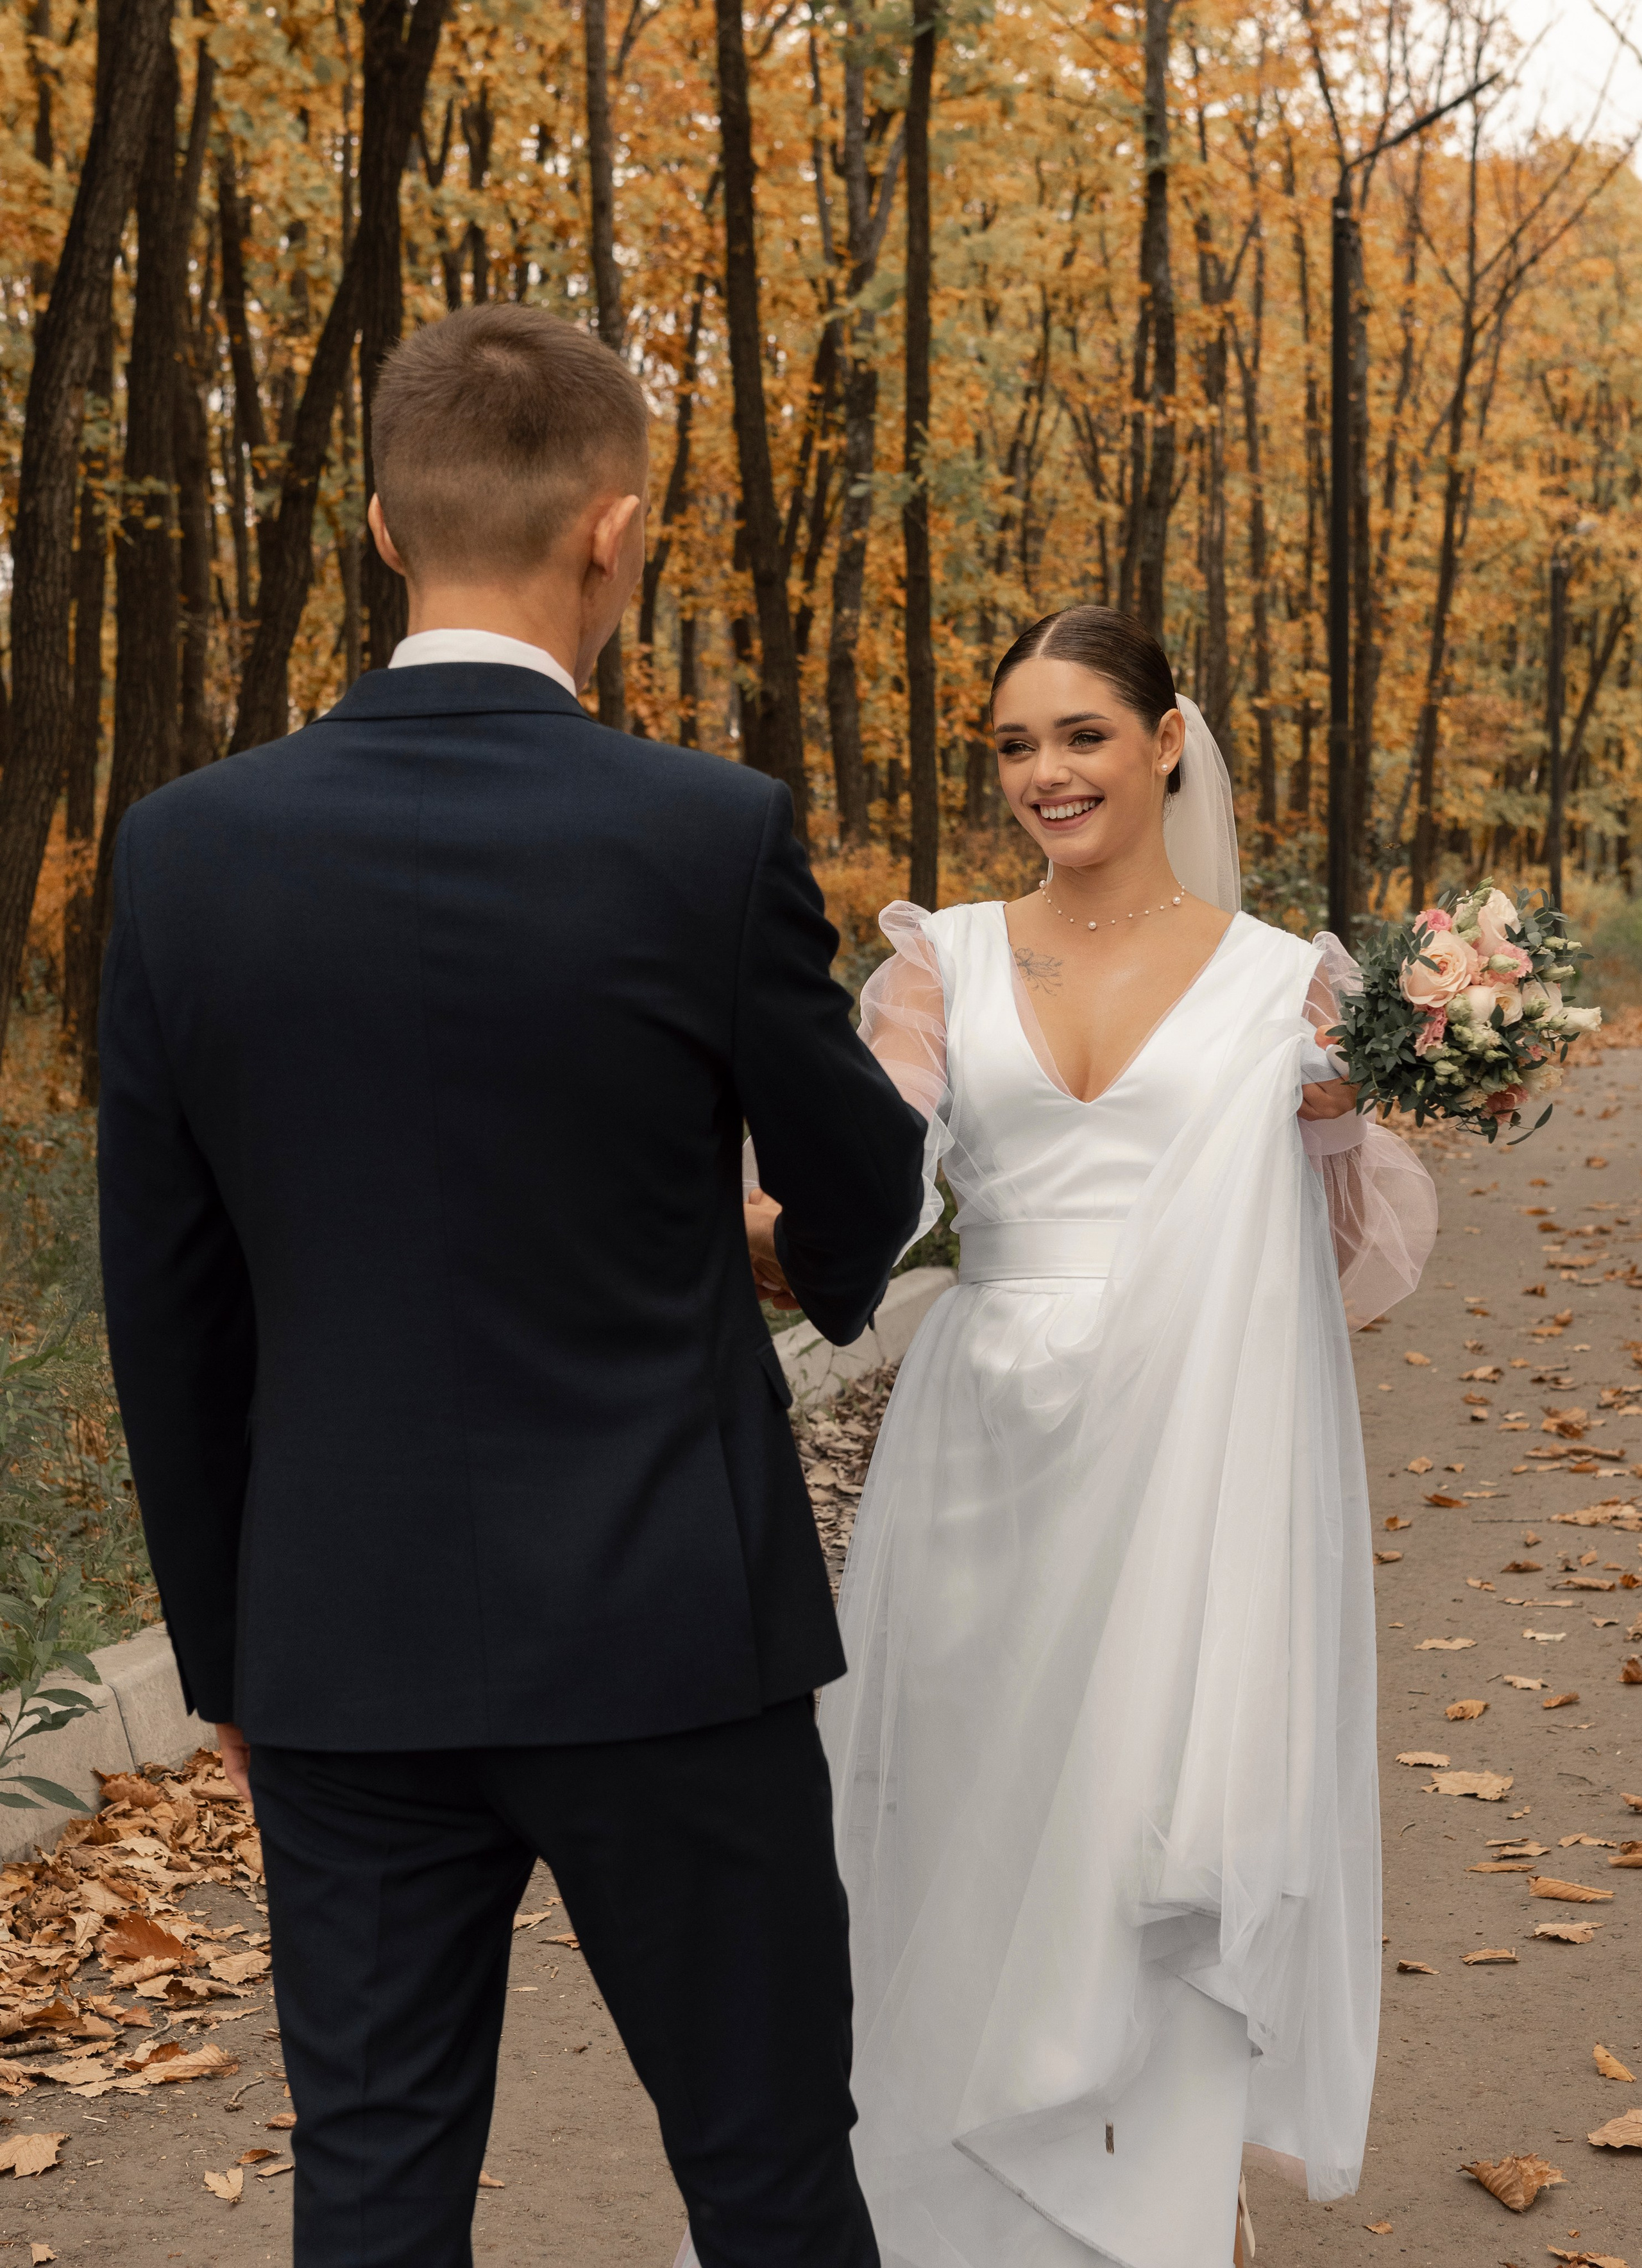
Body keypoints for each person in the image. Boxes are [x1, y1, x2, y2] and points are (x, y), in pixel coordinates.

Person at [96, 302, 927, 2268]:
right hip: (672, 1635)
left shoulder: (187, 854)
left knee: (375, 2182)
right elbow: (864, 1178)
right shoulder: (705, 835)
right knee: (769, 2171)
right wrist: (801, 1269)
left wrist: (233, 1658)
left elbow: (166, 1300)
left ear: (383, 533)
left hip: (340, 1644)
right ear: (614, 533)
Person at [783, 606, 1437, 2268]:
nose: (1045, 774)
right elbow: (866, 1178)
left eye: (1080, 734)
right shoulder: (946, 962)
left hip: (1197, 1464)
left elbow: (1358, 1267)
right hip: (983, 1466)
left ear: (1166, 739)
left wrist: (1339, 1121)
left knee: (1162, 1849)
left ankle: (1165, 2227)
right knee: (966, 1847)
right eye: (1014, 744)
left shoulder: (1288, 984)